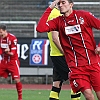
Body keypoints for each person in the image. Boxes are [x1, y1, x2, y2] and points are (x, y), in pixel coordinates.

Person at [36, 0, 100, 100]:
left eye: (63, 2)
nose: (61, 5)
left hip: (93, 62)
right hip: (75, 67)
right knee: (88, 95)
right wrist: (50, 8)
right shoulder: (58, 21)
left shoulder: (84, 15)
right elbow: (40, 28)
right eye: (59, 3)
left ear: (71, 4)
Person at [47, 5, 81, 100]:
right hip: (61, 55)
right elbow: (55, 38)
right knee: (77, 79)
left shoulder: (54, 13)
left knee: (57, 83)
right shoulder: (56, 14)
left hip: (55, 54)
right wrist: (66, 52)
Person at [0, 24, 22, 100]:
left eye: (1, 32)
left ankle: (20, 97)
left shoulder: (12, 38)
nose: (0, 34)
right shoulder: (0, 38)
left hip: (13, 61)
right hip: (4, 61)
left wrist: (7, 52)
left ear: (5, 31)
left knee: (17, 80)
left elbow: (12, 53)